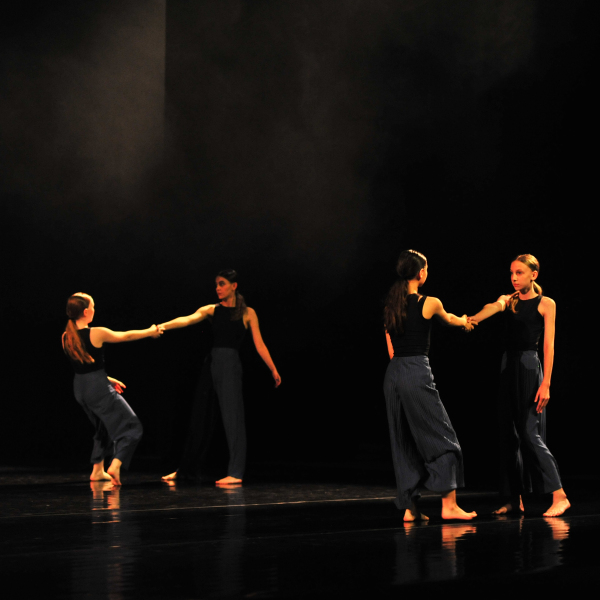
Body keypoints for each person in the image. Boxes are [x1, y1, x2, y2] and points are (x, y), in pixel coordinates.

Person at [469, 254, 569, 517]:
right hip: (508, 366)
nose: (514, 278)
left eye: (520, 273)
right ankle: (514, 498)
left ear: (533, 275)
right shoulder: (509, 300)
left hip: (528, 366)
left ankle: (559, 494)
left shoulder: (546, 303)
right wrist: (472, 319)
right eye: (512, 273)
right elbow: (492, 307)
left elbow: (549, 345)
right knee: (508, 435)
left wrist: (546, 382)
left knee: (529, 432)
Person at [160, 269, 281, 485]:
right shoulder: (211, 310)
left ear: (234, 286)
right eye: (216, 284)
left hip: (230, 365)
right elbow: (187, 319)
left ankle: (236, 472)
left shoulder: (248, 313)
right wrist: (162, 326)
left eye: (222, 283)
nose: (218, 288)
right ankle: (185, 470)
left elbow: (259, 344)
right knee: (199, 416)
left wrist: (273, 368)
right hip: (212, 364)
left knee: (233, 418)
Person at [383, 250, 476, 521]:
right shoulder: (430, 302)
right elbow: (451, 319)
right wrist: (466, 322)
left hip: (393, 374)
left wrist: (400, 367)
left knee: (403, 442)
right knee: (442, 436)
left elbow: (390, 346)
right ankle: (449, 506)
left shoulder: (391, 304)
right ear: (421, 273)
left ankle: (410, 510)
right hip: (415, 371)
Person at [62, 293, 163, 485]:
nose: (94, 310)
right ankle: (116, 465)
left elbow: (83, 366)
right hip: (96, 388)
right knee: (133, 427)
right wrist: (150, 331)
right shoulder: (96, 333)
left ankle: (97, 470)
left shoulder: (66, 336)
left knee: (103, 425)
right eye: (93, 307)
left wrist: (106, 378)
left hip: (81, 389)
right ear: (86, 312)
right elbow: (126, 336)